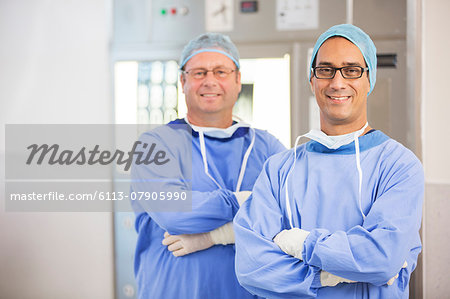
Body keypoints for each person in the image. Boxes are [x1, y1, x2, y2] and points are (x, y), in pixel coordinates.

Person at [234, 24, 424, 298]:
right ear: (312, 80)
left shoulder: (399, 167)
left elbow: (382, 258)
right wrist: (328, 275)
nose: (337, 82)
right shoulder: (279, 169)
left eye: (351, 70)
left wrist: (303, 244)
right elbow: (252, 266)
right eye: (326, 70)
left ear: (369, 80)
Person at [130, 33, 286, 299]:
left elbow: (288, 217)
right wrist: (246, 202)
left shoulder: (268, 148)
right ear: (183, 81)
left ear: (238, 80)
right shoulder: (155, 145)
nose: (210, 81)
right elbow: (174, 213)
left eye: (221, 71)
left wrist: (213, 235)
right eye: (199, 72)